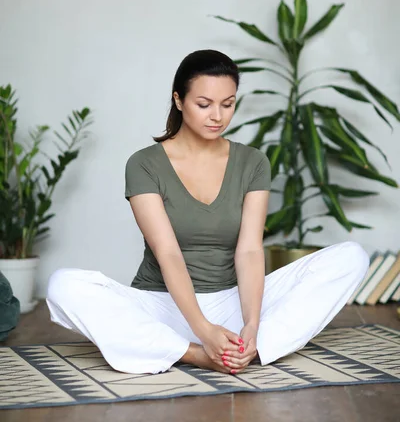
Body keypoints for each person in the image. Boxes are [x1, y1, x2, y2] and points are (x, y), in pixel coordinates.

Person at [46, 49, 369, 376]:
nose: (218, 116)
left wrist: (252, 325)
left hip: (232, 302)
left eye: (227, 104)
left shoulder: (253, 162)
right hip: (163, 307)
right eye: (204, 104)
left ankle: (248, 348)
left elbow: (250, 249)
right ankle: (193, 354)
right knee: (63, 285)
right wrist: (202, 329)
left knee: (351, 257)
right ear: (179, 100)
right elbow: (167, 252)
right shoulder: (144, 164)